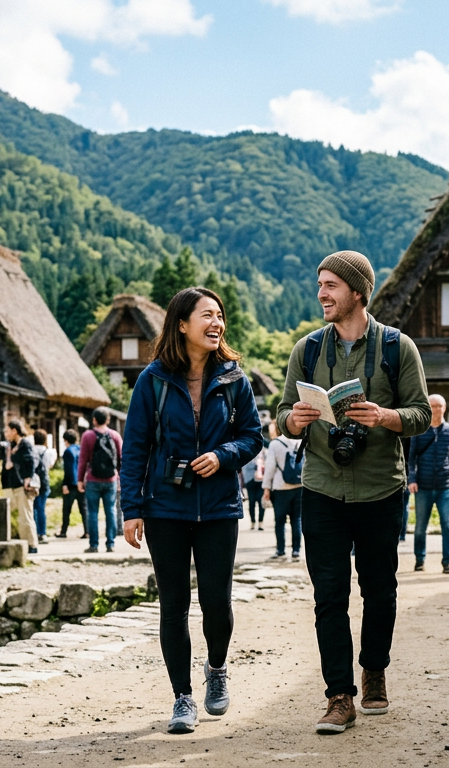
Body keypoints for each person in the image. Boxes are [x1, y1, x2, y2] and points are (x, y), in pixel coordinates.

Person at [277, 250, 431, 735]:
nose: (321, 293)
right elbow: (281, 414)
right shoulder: (306, 350)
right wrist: (293, 420)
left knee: (380, 591)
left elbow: (422, 414)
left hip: (381, 488)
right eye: (320, 284)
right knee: (329, 596)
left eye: (331, 285)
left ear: (358, 292)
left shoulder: (398, 347)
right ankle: (338, 696)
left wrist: (385, 417)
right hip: (321, 486)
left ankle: (374, 670)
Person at [120, 286, 264, 735]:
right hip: (165, 508)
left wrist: (223, 456)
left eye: (220, 315)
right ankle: (182, 697)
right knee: (174, 605)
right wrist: (131, 508)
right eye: (207, 315)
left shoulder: (235, 380)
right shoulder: (153, 380)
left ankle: (216, 669)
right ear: (182, 324)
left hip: (219, 507)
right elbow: (135, 447)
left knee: (216, 602)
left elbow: (253, 437)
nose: (216, 322)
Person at [407, 394, 449, 574]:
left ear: (444, 408)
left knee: (448, 525)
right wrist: (412, 479)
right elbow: (411, 458)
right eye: (432, 406)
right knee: (420, 527)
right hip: (423, 485)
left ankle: (448, 562)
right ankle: (419, 559)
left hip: (445, 485)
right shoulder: (420, 432)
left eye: (439, 406)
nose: (436, 409)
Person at [79, 407, 123, 553]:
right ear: (108, 420)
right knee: (110, 510)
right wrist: (120, 479)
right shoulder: (115, 436)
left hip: (93, 479)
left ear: (94, 420)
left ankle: (94, 545)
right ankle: (110, 544)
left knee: (92, 512)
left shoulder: (87, 436)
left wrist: (80, 480)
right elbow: (121, 459)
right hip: (111, 480)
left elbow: (83, 460)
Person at [261, 421, 303, 560]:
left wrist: (266, 488)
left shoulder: (275, 444)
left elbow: (270, 467)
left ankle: (280, 550)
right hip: (299, 485)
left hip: (280, 487)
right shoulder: (299, 441)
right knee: (296, 519)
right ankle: (296, 550)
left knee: (280, 520)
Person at [0, 420, 40, 554]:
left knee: (25, 515)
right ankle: (17, 542)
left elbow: (31, 461)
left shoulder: (25, 444)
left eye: (7, 431)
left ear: (14, 431)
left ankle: (31, 544)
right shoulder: (10, 445)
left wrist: (28, 478)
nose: (5, 433)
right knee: (10, 515)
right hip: (10, 484)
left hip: (22, 484)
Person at [57, 429, 84, 538]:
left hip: (71, 484)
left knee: (66, 509)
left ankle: (63, 531)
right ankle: (87, 531)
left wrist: (65, 484)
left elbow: (68, 469)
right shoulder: (81, 449)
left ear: (66, 440)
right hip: (81, 483)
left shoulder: (68, 451)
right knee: (83, 509)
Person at [32, 429, 54, 545]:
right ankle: (42, 533)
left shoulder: (31, 450)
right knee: (41, 508)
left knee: (33, 508)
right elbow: (50, 465)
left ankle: (34, 532)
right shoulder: (48, 451)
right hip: (44, 481)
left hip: (33, 481)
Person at [240, 449, 265, 530]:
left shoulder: (262, 451)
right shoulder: (247, 450)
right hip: (250, 480)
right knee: (252, 502)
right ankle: (253, 522)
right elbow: (245, 466)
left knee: (261, 503)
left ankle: (260, 522)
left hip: (261, 480)